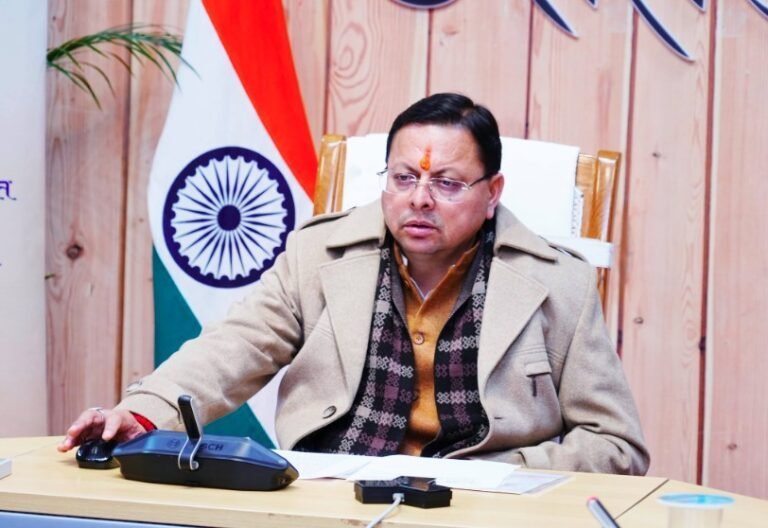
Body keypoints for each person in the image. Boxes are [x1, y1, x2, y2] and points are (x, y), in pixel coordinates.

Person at [59, 93, 649, 474]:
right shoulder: (318, 254)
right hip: (330, 492)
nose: (419, 199)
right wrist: (142, 414)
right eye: (403, 178)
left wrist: (508, 473)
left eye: (447, 183)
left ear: (492, 193)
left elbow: (616, 444)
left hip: (483, 508)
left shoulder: (559, 282)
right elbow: (235, 347)